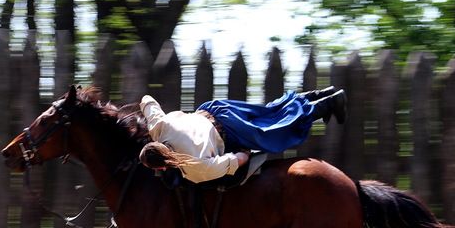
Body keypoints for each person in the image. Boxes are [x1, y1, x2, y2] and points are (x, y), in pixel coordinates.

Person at [139, 87, 346, 184]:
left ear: (161, 165)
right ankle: (319, 96)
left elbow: (235, 161)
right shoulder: (158, 127)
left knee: (273, 133)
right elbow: (147, 100)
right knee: (268, 113)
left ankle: (328, 104)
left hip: (229, 129)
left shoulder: (194, 170)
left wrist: (246, 152)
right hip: (215, 108)